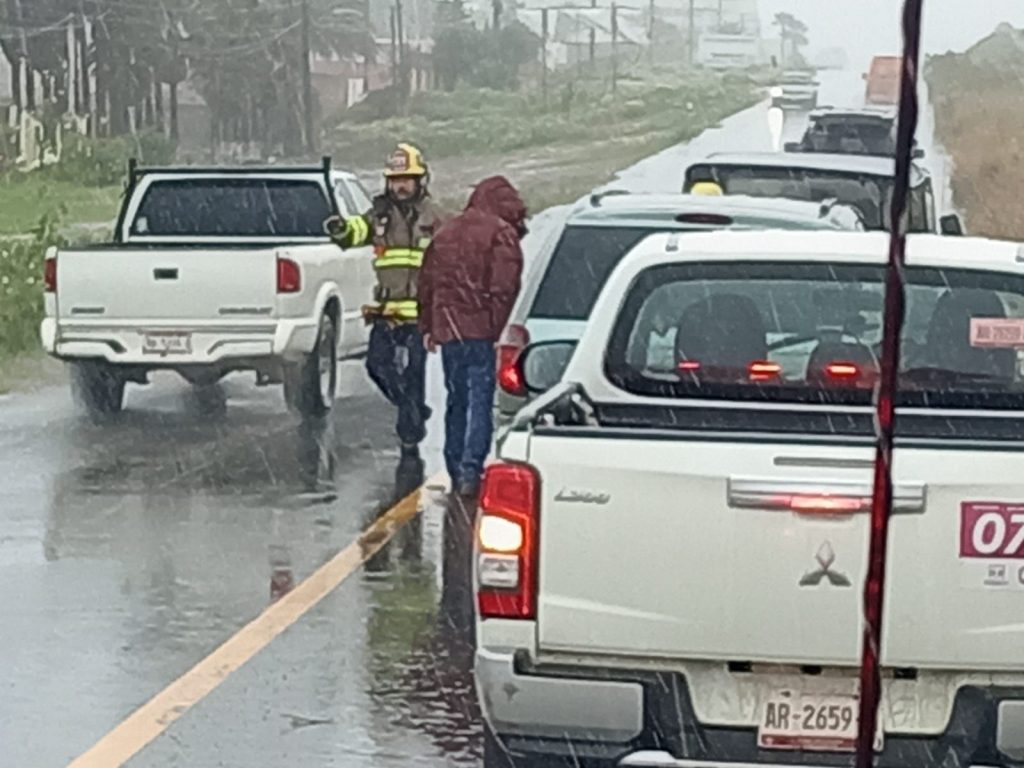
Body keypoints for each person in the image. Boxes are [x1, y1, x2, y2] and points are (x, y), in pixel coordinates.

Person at [326, 143, 443, 462]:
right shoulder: (378, 213)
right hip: (387, 311)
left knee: (416, 373)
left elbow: (450, 254)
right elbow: (356, 231)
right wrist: (340, 229)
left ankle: (409, 437)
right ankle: (412, 409)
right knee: (377, 366)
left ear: (421, 181)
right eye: (395, 180)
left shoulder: (435, 217)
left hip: (420, 313)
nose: (400, 186)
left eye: (406, 179)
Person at [418, 176, 527, 498]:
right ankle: (471, 469)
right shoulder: (501, 233)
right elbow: (504, 288)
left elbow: (427, 283)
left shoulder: (447, 231)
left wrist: (428, 326)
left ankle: (454, 466)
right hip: (481, 332)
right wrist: (497, 330)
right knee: (480, 401)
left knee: (457, 399)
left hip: (449, 330)